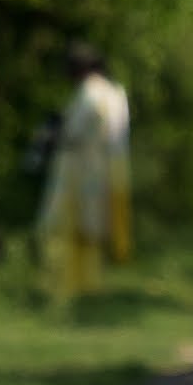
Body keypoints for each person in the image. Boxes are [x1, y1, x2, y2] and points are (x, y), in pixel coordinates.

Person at [37, 42, 132, 301]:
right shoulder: (114, 93)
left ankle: (64, 286)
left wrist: (51, 135)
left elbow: (73, 133)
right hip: (102, 166)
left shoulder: (89, 94)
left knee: (63, 226)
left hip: (78, 166)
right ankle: (88, 284)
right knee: (90, 228)